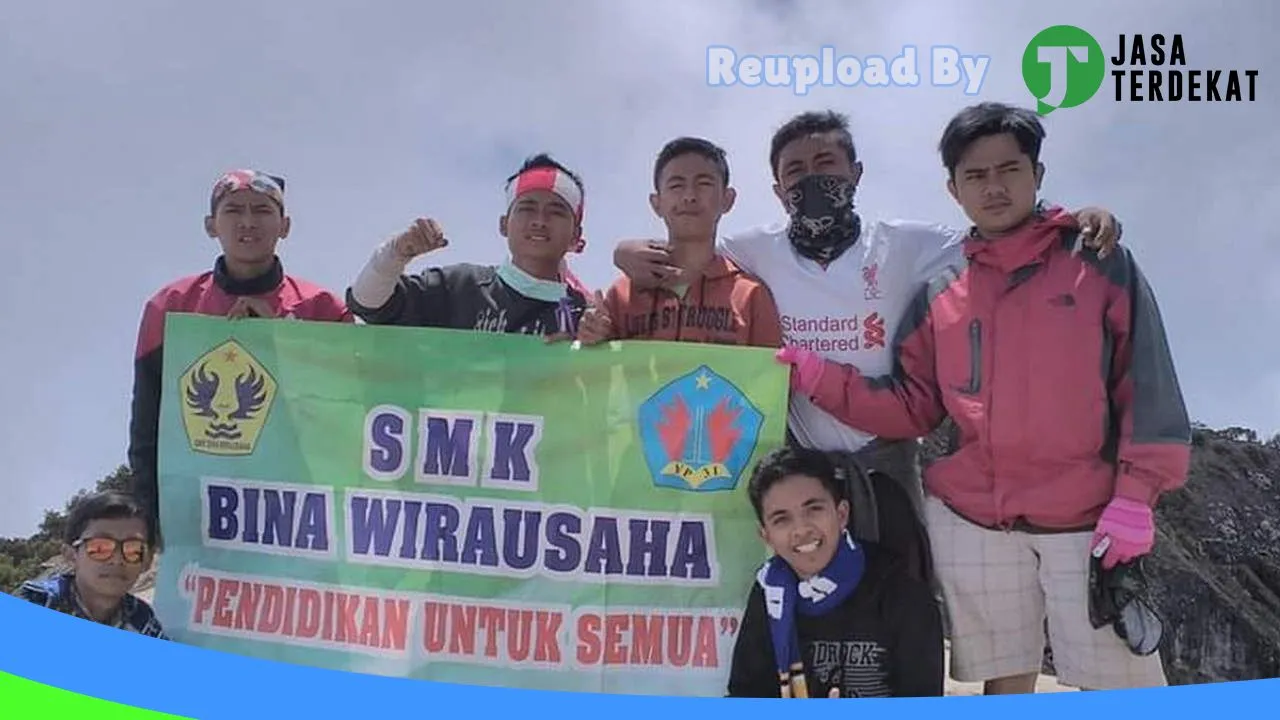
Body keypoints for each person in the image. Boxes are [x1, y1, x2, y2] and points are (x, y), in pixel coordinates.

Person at [775, 102, 1191, 693]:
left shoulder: (1097, 262)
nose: (993, 187)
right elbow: (913, 406)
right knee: (1002, 684)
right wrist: (819, 378)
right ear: (953, 187)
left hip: (1086, 518)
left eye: (1009, 169)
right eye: (975, 175)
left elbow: (1145, 381)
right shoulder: (943, 290)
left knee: (1121, 684)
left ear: (1037, 175)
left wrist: (1136, 498)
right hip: (974, 520)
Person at [613, 110, 1123, 519]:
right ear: (776, 190)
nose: (812, 179)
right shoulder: (754, 251)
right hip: (801, 460)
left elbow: (1000, 235)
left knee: (903, 602)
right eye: (795, 171)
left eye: (826, 164)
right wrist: (626, 251)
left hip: (890, 456)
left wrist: (1067, 219)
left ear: (856, 173)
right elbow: (692, 244)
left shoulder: (908, 244)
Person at [128, 170, 352, 545]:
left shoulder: (323, 308)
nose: (248, 222)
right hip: (199, 511)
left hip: (299, 510)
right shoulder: (172, 305)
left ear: (285, 226)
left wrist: (283, 341)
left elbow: (349, 408)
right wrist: (149, 510)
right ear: (210, 225)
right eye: (233, 210)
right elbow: (148, 421)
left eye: (262, 210)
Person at [726, 446, 943, 699]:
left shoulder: (901, 589)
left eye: (813, 509)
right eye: (781, 519)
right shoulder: (769, 592)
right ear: (766, 537)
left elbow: (925, 703)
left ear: (841, 514)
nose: (801, 529)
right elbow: (744, 697)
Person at [346, 153, 588, 336]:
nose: (539, 221)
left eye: (555, 212)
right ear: (504, 225)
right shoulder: (461, 287)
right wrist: (395, 253)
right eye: (527, 208)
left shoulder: (587, 316)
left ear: (575, 235)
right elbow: (368, 304)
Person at [577, 137, 781, 348]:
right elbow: (594, 371)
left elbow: (771, 376)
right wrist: (592, 335)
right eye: (676, 185)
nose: (689, 196)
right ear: (657, 204)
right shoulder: (621, 295)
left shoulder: (751, 295)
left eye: (704, 184)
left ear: (727, 200)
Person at [16, 491, 167, 639]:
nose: (117, 559)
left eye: (133, 549)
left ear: (147, 561)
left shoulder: (142, 620)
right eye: (100, 548)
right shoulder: (38, 602)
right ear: (71, 555)